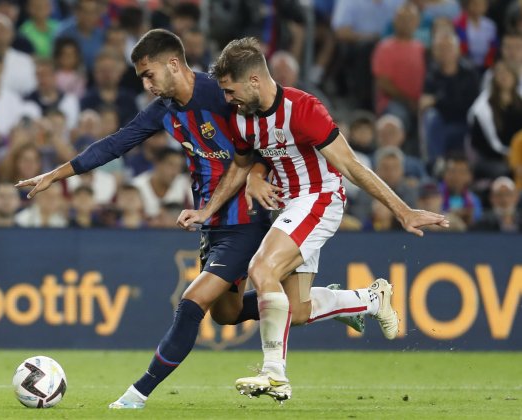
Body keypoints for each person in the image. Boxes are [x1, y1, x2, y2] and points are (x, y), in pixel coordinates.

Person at [16, 29, 366, 410]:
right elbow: (116, 143)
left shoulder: (221, 95)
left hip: (247, 220)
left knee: (191, 303)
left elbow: (264, 139)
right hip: (212, 222)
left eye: (149, 75)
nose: (146, 84)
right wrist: (55, 174)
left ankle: (137, 394)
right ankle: (346, 301)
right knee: (227, 313)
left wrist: (256, 176)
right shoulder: (166, 110)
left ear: (173, 63)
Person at [178, 37, 449, 402]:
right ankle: (371, 299)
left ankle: (274, 373)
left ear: (255, 80)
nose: (227, 99)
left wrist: (402, 210)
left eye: (230, 90)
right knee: (298, 311)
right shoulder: (244, 118)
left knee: (262, 268)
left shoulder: (303, 109)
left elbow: (351, 166)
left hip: (319, 199)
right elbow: (242, 166)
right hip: (289, 207)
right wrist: (208, 210)